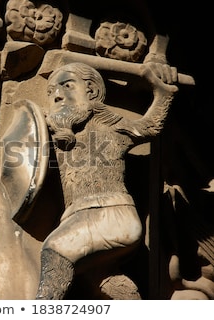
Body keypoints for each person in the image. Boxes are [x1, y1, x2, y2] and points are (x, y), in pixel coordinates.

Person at [36, 61, 178, 299]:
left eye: (67, 86)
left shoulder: (109, 127)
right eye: (51, 92)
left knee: (55, 250)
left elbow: (150, 127)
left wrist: (163, 90)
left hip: (109, 214)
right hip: (79, 217)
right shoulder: (58, 132)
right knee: (106, 281)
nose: (57, 96)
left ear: (90, 91)